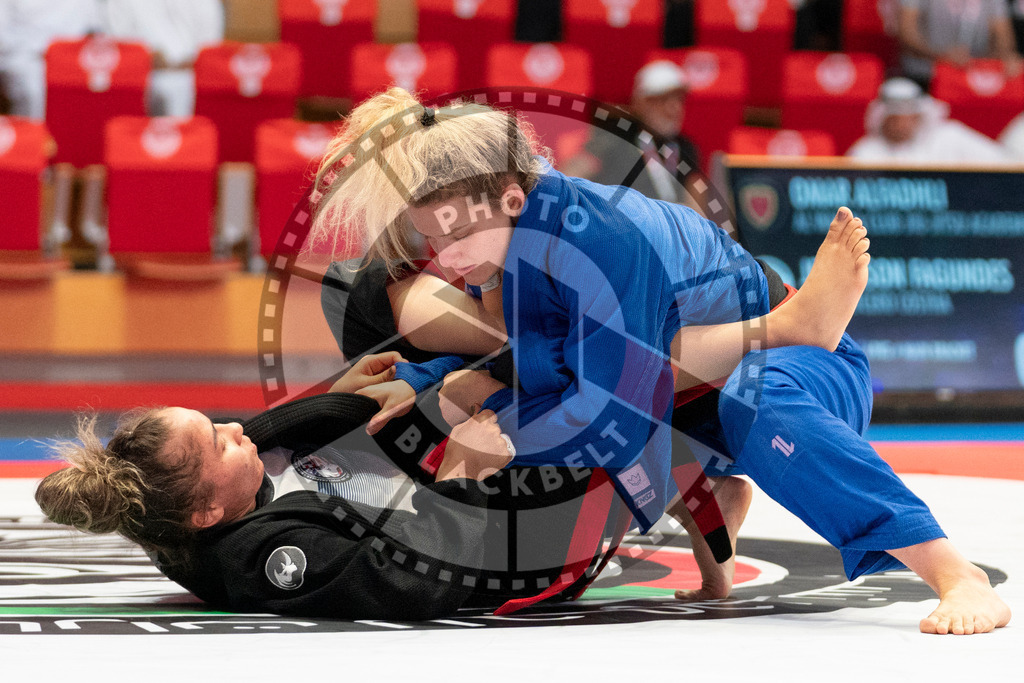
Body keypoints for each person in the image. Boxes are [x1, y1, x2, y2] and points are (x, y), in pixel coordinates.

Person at [309, 87, 1011, 634]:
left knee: (738, 402)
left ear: (512, 200)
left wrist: (501, 430)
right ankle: (712, 494)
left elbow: (614, 407)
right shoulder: (513, 241)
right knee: (512, 401)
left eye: (454, 244)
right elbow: (544, 368)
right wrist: (428, 387)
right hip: (684, 387)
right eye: (437, 245)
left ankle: (951, 569)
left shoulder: (599, 240)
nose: (448, 262)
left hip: (798, 369)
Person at [34, 352, 624, 620]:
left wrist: (337, 399)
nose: (236, 427)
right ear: (208, 511)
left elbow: (265, 434)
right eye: (220, 442)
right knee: (601, 386)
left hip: (431, 482)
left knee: (373, 293)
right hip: (519, 547)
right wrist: (465, 475)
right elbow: (415, 581)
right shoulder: (263, 555)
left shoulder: (191, 502)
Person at [560, 60, 702, 206]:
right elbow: (568, 178)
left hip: (666, 224)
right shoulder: (615, 138)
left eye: (679, 100)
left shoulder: (685, 146)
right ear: (641, 103)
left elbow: (697, 209)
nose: (674, 109)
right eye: (664, 100)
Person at [847, 76, 1013, 163]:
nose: (902, 124)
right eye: (894, 118)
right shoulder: (865, 151)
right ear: (881, 119)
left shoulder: (950, 137)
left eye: (908, 116)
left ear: (919, 116)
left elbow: (1003, 165)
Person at [101, 0, 224, 116]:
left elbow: (211, 40)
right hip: (139, 76)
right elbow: (117, 36)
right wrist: (145, 57)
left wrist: (191, 61)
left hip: (189, 76)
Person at [0, 0, 103, 120]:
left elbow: (96, 27)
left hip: (74, 58)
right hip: (27, 57)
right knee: (34, 92)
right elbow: (3, 35)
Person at [898, 0, 1023, 87]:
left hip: (971, 80)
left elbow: (1003, 36)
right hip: (925, 78)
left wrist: (1006, 57)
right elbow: (906, 34)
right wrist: (941, 55)